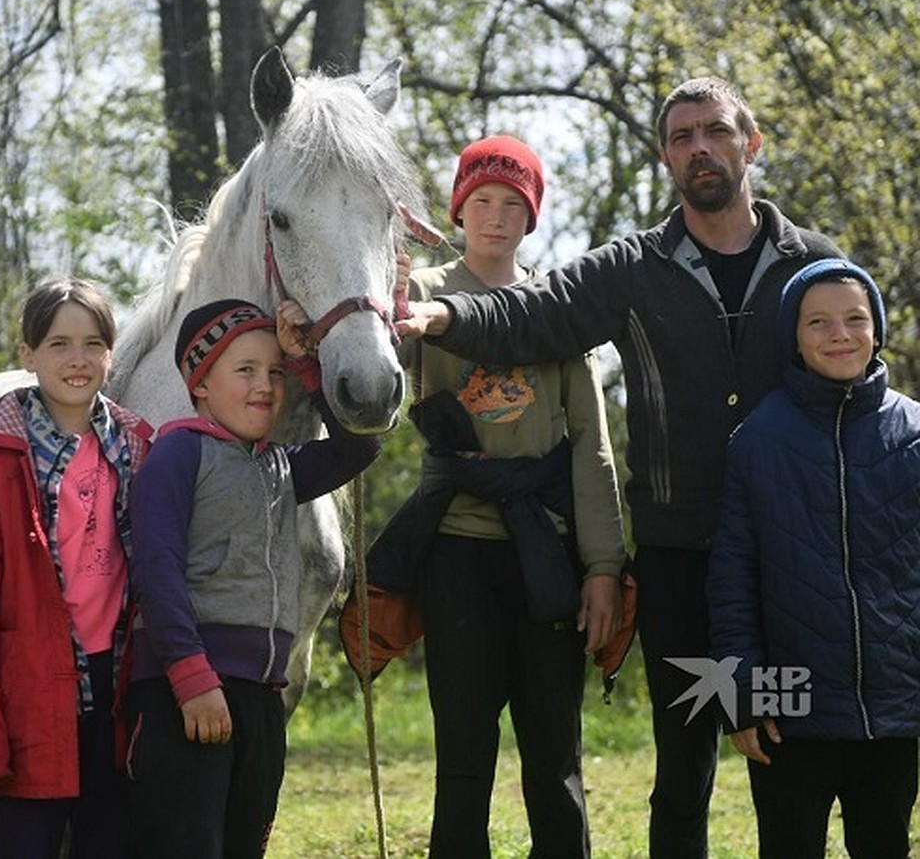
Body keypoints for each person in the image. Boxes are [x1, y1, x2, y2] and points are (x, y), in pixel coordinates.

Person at [397, 77, 844, 857]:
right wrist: (444, 313)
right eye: (680, 137)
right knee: (684, 765)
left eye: (714, 131)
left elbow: (854, 383)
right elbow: (534, 312)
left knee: (788, 756)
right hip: (680, 564)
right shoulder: (633, 267)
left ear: (752, 142)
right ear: (667, 158)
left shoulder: (812, 266)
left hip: (789, 566)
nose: (699, 148)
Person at [378, 135, 627, 857]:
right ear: (458, 211)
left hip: (546, 551)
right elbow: (376, 367)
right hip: (457, 551)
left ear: (532, 215)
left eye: (511, 204)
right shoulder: (420, 293)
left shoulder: (558, 308)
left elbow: (592, 443)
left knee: (555, 758)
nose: (495, 216)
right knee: (462, 753)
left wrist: (604, 566)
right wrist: (381, 289)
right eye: (480, 201)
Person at [122, 298, 380, 858]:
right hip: (184, 697)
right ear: (200, 385)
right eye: (244, 371)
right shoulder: (176, 453)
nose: (265, 385)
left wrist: (309, 363)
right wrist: (191, 680)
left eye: (275, 373)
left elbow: (361, 445)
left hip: (261, 699)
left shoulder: (282, 467)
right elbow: (157, 569)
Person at [708, 258, 920, 858]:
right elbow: (733, 579)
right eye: (818, 322)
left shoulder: (914, 432)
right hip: (787, 700)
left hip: (892, 702)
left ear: (877, 328)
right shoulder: (758, 439)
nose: (839, 335)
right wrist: (744, 693)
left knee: (884, 845)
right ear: (794, 338)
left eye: (855, 319)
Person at [0, 277, 155, 859]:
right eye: (58, 344)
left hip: (116, 701)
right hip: (25, 703)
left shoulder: (140, 449)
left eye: (93, 344)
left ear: (112, 354)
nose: (77, 360)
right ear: (28, 355)